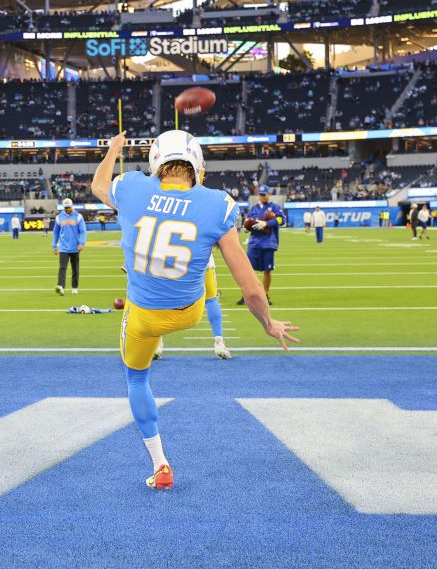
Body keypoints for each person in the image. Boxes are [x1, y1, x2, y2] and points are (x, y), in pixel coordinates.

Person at [90, 130, 298, 490]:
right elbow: (250, 287)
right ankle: (191, 273)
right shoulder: (217, 203)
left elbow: (98, 185)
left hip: (142, 315)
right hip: (190, 311)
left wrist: (113, 150)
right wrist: (267, 322)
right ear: (197, 166)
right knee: (204, 262)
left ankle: (160, 465)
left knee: (136, 379)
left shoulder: (132, 187)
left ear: (156, 162)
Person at [237, 185, 285, 305]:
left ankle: (265, 295)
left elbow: (282, 219)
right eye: (261, 194)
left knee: (267, 271)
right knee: (248, 271)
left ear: (269, 194)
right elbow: (248, 222)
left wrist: (267, 223)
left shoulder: (275, 207)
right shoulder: (254, 209)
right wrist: (247, 227)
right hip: (254, 242)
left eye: (264, 194)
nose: (262, 196)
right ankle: (247, 295)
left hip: (269, 243)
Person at [52, 198, 86, 295]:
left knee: (75, 268)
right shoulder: (59, 218)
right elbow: (56, 232)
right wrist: (54, 245)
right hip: (63, 247)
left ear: (72, 206)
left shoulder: (78, 217)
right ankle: (61, 287)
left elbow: (83, 231)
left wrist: (82, 243)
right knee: (62, 267)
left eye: (69, 207)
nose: (67, 209)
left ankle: (74, 287)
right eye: (66, 208)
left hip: (75, 247)